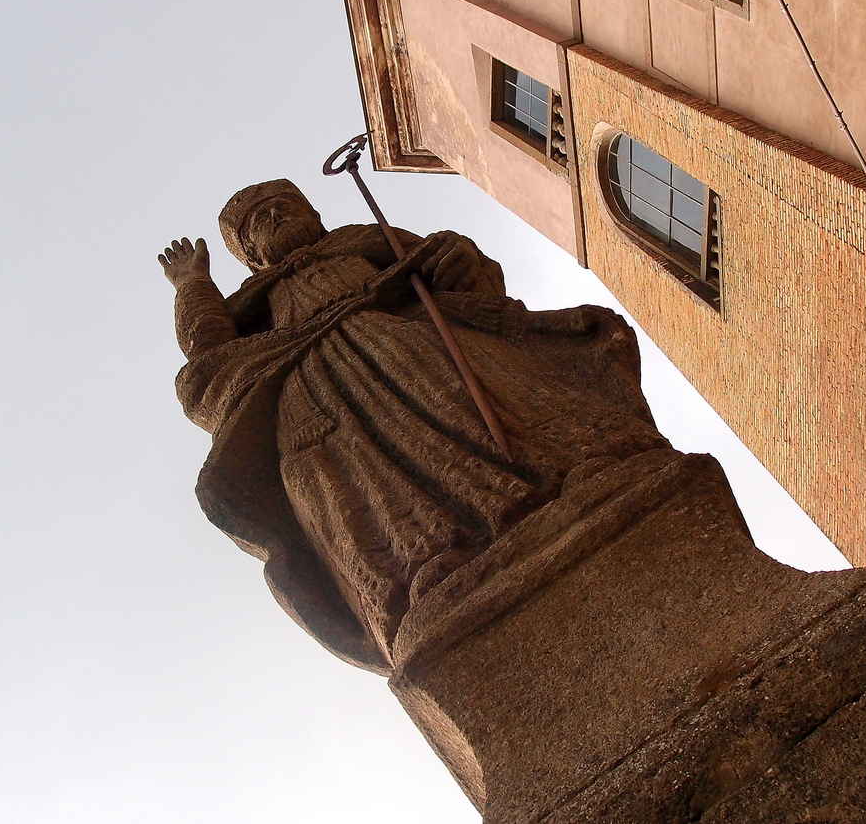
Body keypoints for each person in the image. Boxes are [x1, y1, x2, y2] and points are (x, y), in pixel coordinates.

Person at [162, 180, 669, 672]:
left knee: (465, 397)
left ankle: (565, 471)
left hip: (400, 337)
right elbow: (210, 353)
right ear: (251, 254)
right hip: (318, 382)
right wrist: (193, 285)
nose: (276, 217)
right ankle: (428, 558)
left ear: (313, 214)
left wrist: (452, 255)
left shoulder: (358, 239)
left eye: (282, 206)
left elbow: (445, 261)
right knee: (365, 472)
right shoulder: (254, 302)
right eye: (259, 221)